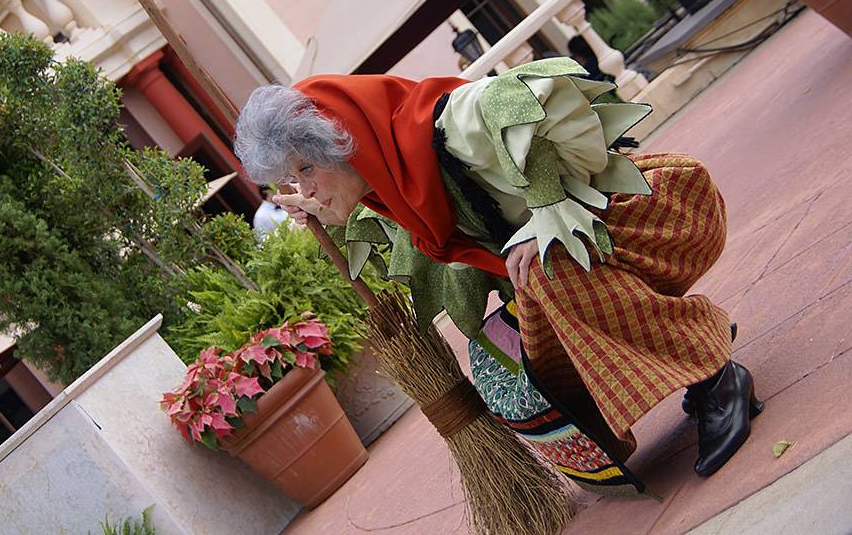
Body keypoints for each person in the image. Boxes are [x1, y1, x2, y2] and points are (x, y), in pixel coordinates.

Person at [233, 57, 761, 494]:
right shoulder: (391, 193)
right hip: (598, 250)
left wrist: (544, 210)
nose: (303, 187)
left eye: (306, 169)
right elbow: (410, 253)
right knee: (505, 351)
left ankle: (716, 377)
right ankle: (678, 347)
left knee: (548, 276)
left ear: (343, 142)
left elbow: (528, 95)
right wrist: (322, 213)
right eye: (288, 179)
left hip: (652, 211)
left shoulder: (445, 122)